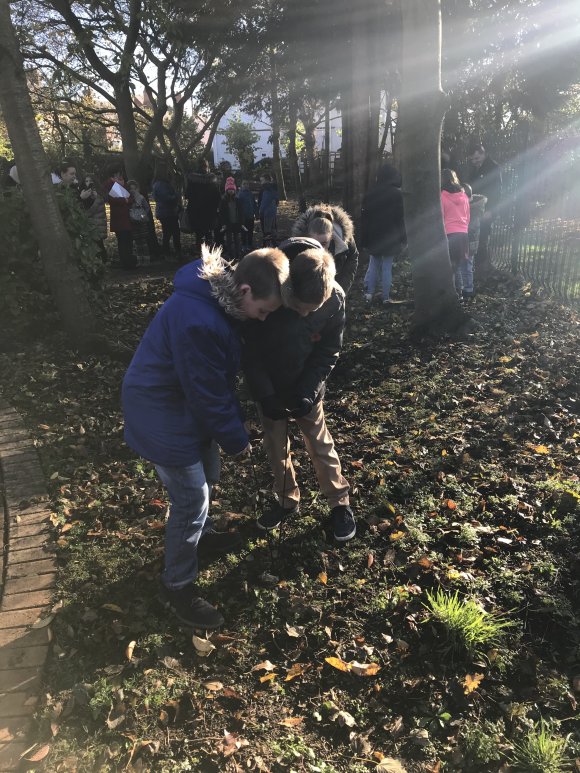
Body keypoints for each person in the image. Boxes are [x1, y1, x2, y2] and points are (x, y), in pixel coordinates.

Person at [122, 245, 290, 628]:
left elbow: (212, 382)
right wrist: (236, 438)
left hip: (182, 407)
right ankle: (178, 583)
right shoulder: (199, 318)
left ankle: (204, 533)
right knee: (190, 497)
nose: (263, 320)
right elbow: (207, 390)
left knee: (209, 472)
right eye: (263, 311)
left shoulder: (221, 307)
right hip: (160, 411)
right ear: (245, 291)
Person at [243, 237, 355, 543]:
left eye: (312, 311)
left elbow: (329, 349)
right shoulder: (269, 287)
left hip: (306, 387)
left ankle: (339, 501)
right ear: (287, 289)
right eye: (299, 308)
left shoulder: (335, 302)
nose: (304, 315)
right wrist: (265, 394)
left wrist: (309, 389)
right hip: (270, 388)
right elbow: (249, 350)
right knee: (276, 446)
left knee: (320, 443)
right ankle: (286, 499)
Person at [360, 164, 406, 304]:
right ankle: (386, 297)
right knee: (387, 267)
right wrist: (403, 239)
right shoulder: (397, 194)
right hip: (391, 237)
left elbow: (365, 220)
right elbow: (400, 219)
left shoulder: (369, 194)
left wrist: (364, 240)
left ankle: (369, 294)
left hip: (374, 236)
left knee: (374, 264)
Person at [292, 203, 359, 295]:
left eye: (324, 243)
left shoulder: (345, 239)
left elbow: (352, 258)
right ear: (307, 237)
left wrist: (341, 289)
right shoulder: (298, 244)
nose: (320, 248)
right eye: (315, 243)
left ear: (332, 237)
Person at [467, 143, 502, 274]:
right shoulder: (476, 168)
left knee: (482, 238)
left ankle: (482, 269)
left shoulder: (493, 167)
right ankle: (477, 267)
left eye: (477, 158)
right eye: (472, 159)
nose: (474, 161)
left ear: (483, 154)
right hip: (476, 209)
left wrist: (490, 210)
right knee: (475, 238)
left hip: (486, 210)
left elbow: (496, 191)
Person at [441, 168, 470, 298]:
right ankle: (460, 293)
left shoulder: (442, 196)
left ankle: (453, 294)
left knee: (448, 267)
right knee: (456, 266)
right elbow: (468, 216)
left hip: (449, 233)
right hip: (463, 233)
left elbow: (441, 216)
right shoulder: (464, 196)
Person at [186, 158, 221, 251]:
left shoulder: (192, 179)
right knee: (209, 232)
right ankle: (210, 252)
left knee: (198, 234)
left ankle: (199, 252)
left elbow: (187, 194)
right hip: (210, 211)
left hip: (195, 210)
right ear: (207, 166)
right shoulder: (212, 179)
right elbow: (217, 195)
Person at [105, 167, 136, 269]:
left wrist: (126, 199)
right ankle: (126, 263)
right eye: (118, 173)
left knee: (128, 239)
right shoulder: (109, 184)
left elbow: (130, 198)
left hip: (125, 216)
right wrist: (125, 201)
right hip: (119, 217)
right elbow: (113, 200)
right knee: (123, 241)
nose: (120, 175)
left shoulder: (122, 184)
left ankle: (129, 261)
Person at [461, 183, 487, 301]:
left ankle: (468, 288)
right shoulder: (475, 207)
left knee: (466, 265)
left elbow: (471, 227)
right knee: (466, 265)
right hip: (470, 240)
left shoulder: (473, 208)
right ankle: (467, 287)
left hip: (469, 240)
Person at [152, 171, 182, 262]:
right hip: (167, 212)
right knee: (171, 232)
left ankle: (170, 252)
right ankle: (171, 253)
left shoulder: (158, 184)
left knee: (169, 232)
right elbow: (166, 198)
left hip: (166, 212)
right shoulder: (162, 185)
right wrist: (176, 195)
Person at [79, 174, 107, 257]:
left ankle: (103, 263)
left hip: (97, 226)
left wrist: (95, 198)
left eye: (90, 181)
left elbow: (90, 212)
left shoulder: (97, 195)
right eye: (86, 181)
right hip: (91, 226)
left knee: (99, 247)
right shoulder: (84, 193)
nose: (88, 183)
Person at [127, 180, 152, 267]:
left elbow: (147, 207)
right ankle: (140, 260)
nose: (132, 190)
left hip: (141, 222)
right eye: (131, 189)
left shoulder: (140, 198)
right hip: (134, 222)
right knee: (137, 242)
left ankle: (146, 259)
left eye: (134, 188)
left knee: (143, 242)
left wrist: (142, 215)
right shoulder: (128, 199)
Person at [219, 177, 244, 262]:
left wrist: (241, 222)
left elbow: (241, 212)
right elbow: (221, 213)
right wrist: (223, 223)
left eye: (232, 189)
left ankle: (238, 254)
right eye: (229, 189)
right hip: (228, 224)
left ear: (234, 190)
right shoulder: (223, 201)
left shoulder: (238, 200)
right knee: (229, 240)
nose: (230, 191)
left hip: (236, 223)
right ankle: (230, 255)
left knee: (237, 240)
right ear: (226, 190)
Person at [258, 173, 279, 246]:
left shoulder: (266, 189)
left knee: (267, 231)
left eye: (262, 180)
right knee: (273, 229)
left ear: (266, 180)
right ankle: (274, 244)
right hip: (272, 212)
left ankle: (268, 246)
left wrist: (260, 211)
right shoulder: (274, 189)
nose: (261, 182)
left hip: (266, 213)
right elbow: (277, 201)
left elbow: (264, 202)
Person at [238, 180, 258, 251]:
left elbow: (254, 204)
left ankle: (249, 244)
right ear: (241, 185)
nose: (246, 185)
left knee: (250, 231)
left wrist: (256, 213)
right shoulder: (239, 194)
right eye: (244, 184)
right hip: (243, 217)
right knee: (243, 232)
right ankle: (244, 245)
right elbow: (238, 206)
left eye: (247, 184)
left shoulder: (250, 194)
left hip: (250, 216)